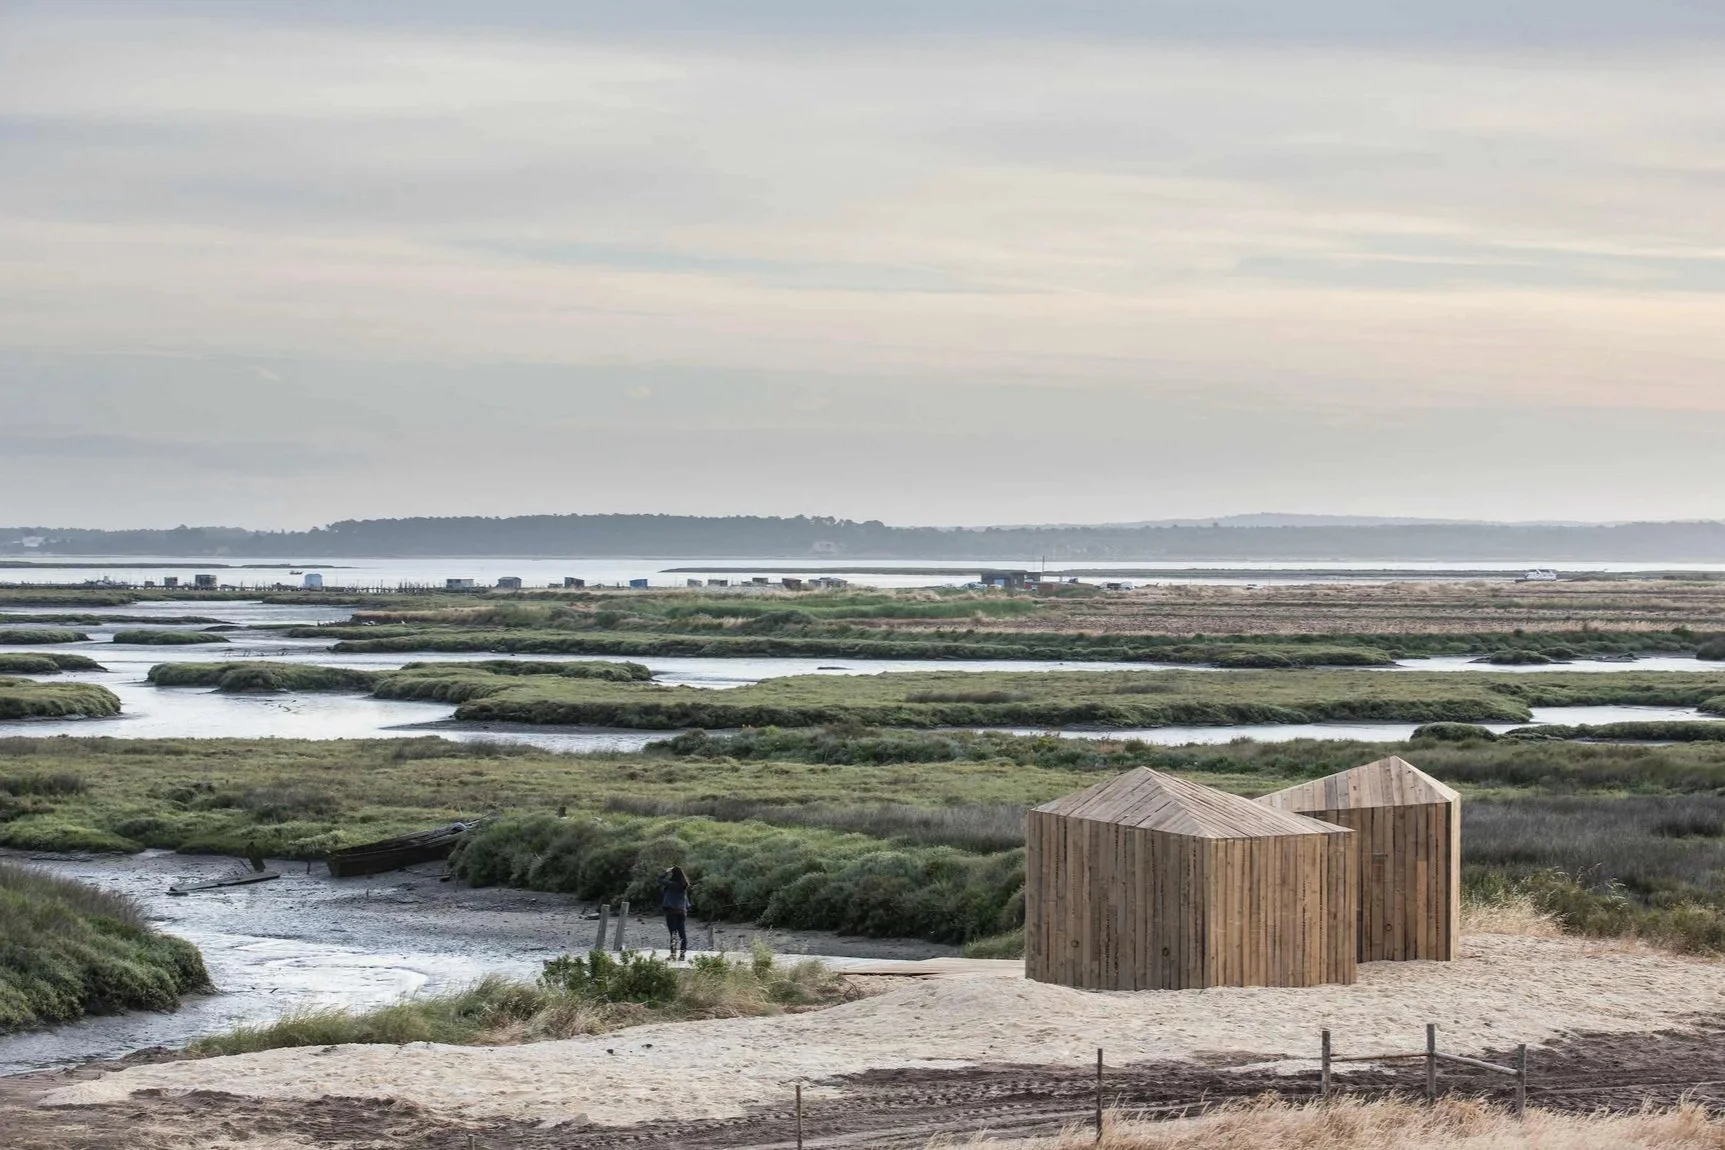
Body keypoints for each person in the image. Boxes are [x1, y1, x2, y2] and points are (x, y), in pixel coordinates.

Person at [659, 866, 692, 960]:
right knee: (682, 934)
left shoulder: (672, 884)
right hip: (682, 912)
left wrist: (666, 871)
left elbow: (660, 880)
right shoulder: (684, 885)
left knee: (673, 934)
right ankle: (682, 954)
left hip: (671, 912)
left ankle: (673, 955)